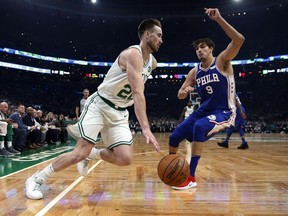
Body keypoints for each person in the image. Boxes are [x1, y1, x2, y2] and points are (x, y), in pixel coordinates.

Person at [25, 18, 162, 199]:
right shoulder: (132, 54)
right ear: (147, 34)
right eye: (159, 35)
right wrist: (145, 127)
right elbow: (137, 92)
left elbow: (136, 92)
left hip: (119, 112)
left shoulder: (153, 63)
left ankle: (93, 154)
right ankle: (36, 179)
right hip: (100, 105)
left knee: (125, 158)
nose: (161, 40)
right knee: (78, 153)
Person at [168, 8, 245, 190]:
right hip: (204, 111)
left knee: (199, 126)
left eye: (203, 47)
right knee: (173, 137)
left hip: (224, 111)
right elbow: (179, 94)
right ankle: (172, 169)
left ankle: (191, 177)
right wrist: (184, 90)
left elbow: (239, 40)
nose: (199, 50)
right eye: (197, 48)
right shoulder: (194, 71)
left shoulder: (222, 61)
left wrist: (218, 19)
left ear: (211, 49)